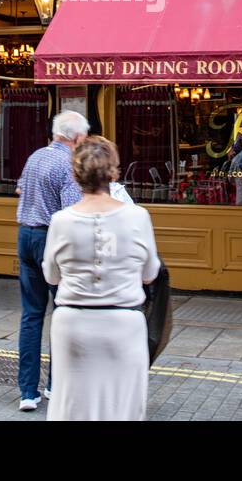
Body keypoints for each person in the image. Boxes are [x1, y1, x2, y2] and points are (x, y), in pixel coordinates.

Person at [43, 136, 160, 421]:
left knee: (72, 405)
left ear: (75, 173)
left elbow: (51, 275)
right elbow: (150, 273)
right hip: (123, 324)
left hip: (73, 323)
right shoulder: (137, 216)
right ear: (114, 172)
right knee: (121, 406)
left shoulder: (61, 220)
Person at [14, 109, 90, 412]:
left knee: (31, 315)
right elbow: (70, 212)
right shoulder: (68, 163)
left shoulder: (35, 156)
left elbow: (21, 188)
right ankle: (55, 385)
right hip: (51, 238)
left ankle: (27, 393)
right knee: (63, 312)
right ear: (77, 137)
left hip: (25, 235)